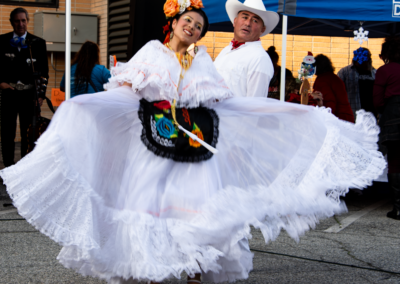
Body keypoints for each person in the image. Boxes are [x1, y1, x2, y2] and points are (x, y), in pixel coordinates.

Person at [0, 1, 386, 284]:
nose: (194, 28)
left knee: (196, 210)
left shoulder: (204, 61)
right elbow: (130, 93)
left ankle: (196, 272)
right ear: (175, 22)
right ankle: (150, 269)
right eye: (189, 21)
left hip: (195, 147)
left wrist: (292, 113)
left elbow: (227, 103)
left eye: (200, 25)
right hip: (153, 142)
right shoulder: (152, 52)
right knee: (148, 205)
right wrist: (85, 105)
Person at [0, 7, 49, 167]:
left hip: (29, 95)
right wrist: (1, 83)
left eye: (23, 20)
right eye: (17, 21)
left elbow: (44, 73)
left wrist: (40, 95)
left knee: (28, 132)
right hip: (9, 94)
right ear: (11, 22)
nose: (20, 24)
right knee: (7, 133)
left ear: (27, 21)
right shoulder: (1, 41)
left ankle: (25, 167)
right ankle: (8, 168)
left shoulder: (38, 43)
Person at [214, 0, 278, 98]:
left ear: (262, 29)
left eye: (255, 20)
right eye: (244, 17)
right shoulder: (226, 50)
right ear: (235, 21)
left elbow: (254, 106)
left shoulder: (259, 58)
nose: (248, 23)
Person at [373, 36, 400, 220]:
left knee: (395, 161)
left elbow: (377, 100)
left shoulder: (385, 70)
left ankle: (398, 208)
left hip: (393, 116)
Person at [313, 54, 355, 122]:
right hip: (346, 117)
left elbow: (329, 103)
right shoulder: (334, 77)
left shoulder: (323, 80)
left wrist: (327, 120)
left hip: (338, 118)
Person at [338, 47, 377, 118]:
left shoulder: (375, 73)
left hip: (371, 117)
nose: (369, 60)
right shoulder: (344, 72)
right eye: (367, 57)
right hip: (352, 116)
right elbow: (338, 94)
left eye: (369, 57)